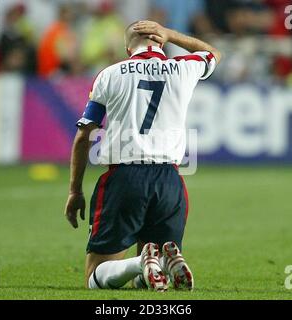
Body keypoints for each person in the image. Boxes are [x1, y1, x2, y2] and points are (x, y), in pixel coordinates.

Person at [64, 20, 221, 291]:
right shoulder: (182, 68)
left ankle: (140, 262)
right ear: (160, 42)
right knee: (151, 279)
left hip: (125, 178)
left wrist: (75, 190)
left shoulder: (110, 75)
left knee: (95, 277)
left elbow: (83, 135)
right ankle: (160, 262)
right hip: (170, 181)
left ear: (128, 48)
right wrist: (172, 34)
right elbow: (212, 53)